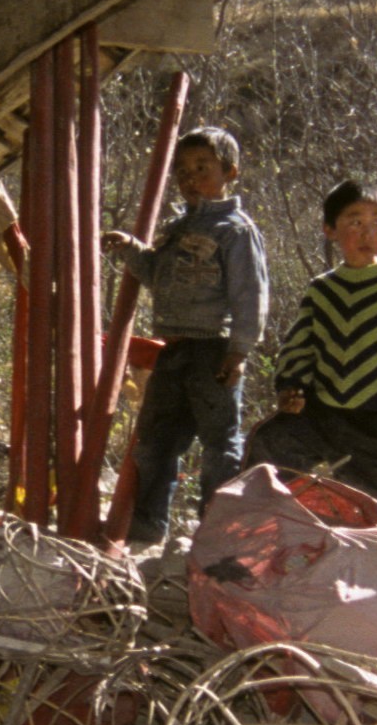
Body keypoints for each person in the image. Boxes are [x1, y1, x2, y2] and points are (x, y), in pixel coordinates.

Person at [106, 127, 266, 542]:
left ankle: (217, 530)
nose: (191, 178)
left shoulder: (236, 230)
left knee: (219, 445)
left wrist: (239, 352)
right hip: (173, 348)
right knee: (157, 437)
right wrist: (129, 249)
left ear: (230, 172)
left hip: (213, 349)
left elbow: (250, 294)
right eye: (183, 170)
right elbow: (156, 275)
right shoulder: (178, 229)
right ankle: (148, 524)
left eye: (202, 168)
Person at [246, 178, 377, 509]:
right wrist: (291, 386)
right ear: (330, 229)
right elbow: (301, 342)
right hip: (324, 410)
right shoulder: (323, 289)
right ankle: (269, 533)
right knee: (270, 444)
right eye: (355, 222)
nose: (368, 232)